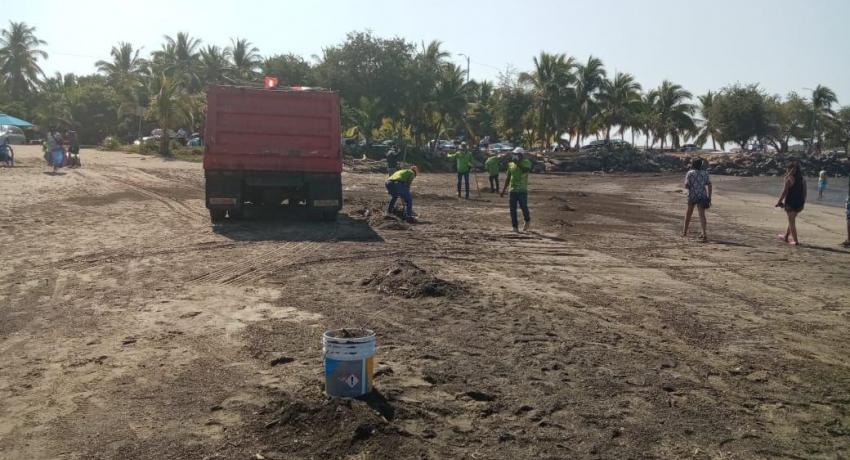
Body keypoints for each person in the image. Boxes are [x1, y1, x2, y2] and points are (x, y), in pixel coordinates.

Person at [500, 147, 532, 233]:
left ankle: (527, 220)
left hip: (522, 190)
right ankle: (515, 227)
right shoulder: (511, 164)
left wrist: (518, 163)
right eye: (514, 154)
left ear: (521, 155)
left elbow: (526, 170)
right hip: (512, 190)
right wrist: (503, 190)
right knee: (512, 209)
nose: (515, 156)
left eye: (517, 154)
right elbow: (508, 178)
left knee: (523, 207)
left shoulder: (526, 162)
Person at [776, 160, 806, 246]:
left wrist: (779, 202)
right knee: (791, 220)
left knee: (792, 222)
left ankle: (796, 241)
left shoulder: (789, 179)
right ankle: (786, 236)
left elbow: (784, 192)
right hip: (799, 204)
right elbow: (804, 193)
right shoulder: (803, 179)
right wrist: (803, 203)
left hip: (790, 204)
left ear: (788, 169)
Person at [682, 158, 712, 241]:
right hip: (702, 195)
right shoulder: (705, 173)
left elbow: (686, 185)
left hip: (692, 195)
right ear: (701, 165)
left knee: (688, 213)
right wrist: (709, 197)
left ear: (693, 164)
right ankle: (704, 233)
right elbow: (709, 185)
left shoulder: (690, 173)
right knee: (702, 215)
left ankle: (684, 232)